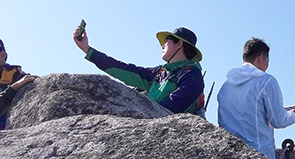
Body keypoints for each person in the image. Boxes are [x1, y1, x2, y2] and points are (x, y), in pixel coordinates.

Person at [73, 25, 205, 114]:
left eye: (167, 41)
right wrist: (87, 49)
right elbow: (122, 69)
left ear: (179, 44)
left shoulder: (193, 76)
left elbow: (174, 106)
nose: (162, 46)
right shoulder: (159, 73)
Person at [217, 37, 295, 159]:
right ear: (261, 58)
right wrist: (293, 115)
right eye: (268, 61)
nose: (267, 65)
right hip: (259, 154)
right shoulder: (266, 81)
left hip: (229, 154)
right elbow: (278, 120)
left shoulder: (226, 85)